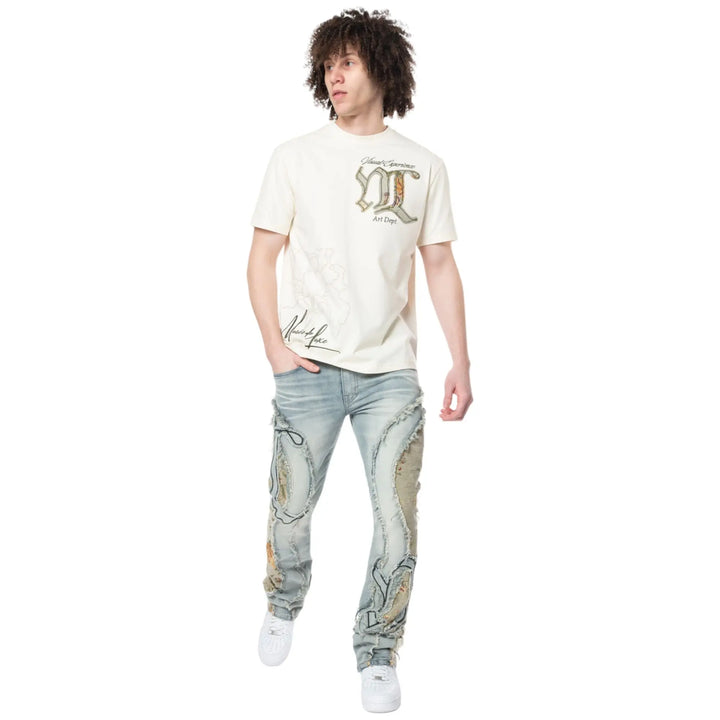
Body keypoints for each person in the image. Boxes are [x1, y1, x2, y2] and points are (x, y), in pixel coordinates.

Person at [247, 8, 472, 713]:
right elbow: (261, 258)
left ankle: (378, 650)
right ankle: (284, 600)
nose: (334, 75)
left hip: (391, 377)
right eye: (327, 64)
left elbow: (439, 265)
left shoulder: (424, 166)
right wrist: (276, 349)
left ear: (382, 67)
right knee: (289, 509)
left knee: (398, 522)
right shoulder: (293, 157)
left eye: (347, 61)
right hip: (307, 370)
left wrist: (460, 362)